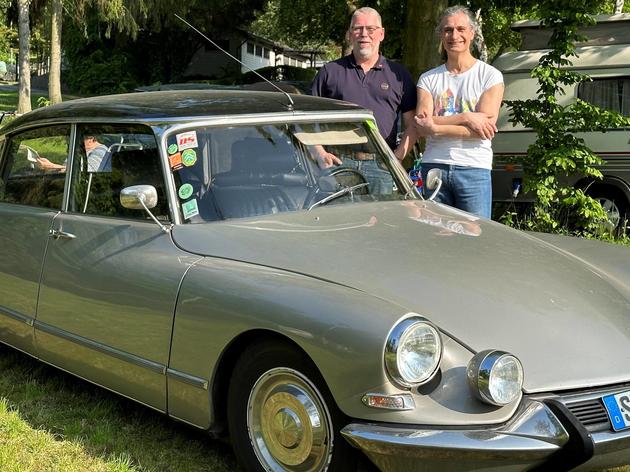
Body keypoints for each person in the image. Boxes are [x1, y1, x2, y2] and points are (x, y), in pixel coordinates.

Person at [413, 5, 504, 219]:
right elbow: (421, 126)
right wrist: (466, 117)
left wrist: (435, 126)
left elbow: (483, 131)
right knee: (435, 236)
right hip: (434, 167)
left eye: (461, 29)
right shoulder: (428, 79)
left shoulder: (490, 76)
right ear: (441, 35)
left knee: (475, 236)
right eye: (448, 30)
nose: (454, 35)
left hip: (474, 169)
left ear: (472, 33)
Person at [310, 6, 416, 169]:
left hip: (383, 165)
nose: (364, 34)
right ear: (350, 34)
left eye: (370, 29)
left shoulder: (399, 75)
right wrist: (319, 153)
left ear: (381, 34)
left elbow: (413, 124)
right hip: (338, 163)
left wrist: (398, 156)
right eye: (358, 28)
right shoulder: (330, 72)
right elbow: (308, 119)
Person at [36, 135, 111, 173]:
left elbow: (86, 171)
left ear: (90, 140)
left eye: (77, 140)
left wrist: (51, 166)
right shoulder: (81, 150)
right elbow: (65, 168)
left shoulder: (101, 151)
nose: (74, 143)